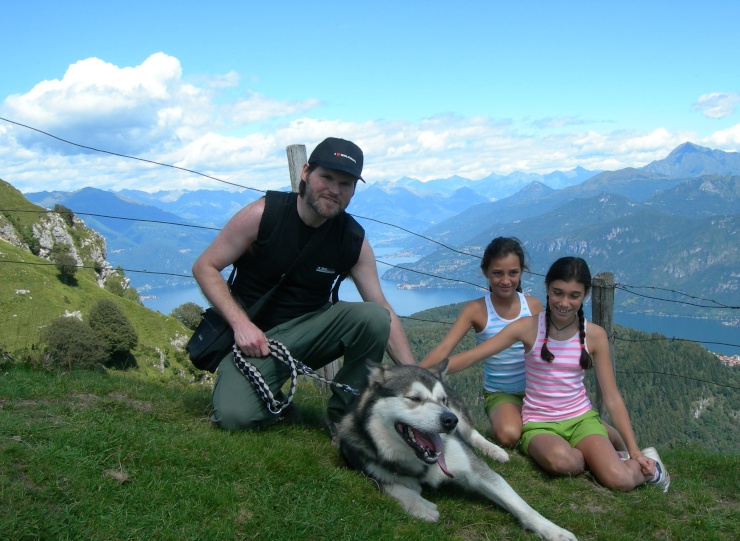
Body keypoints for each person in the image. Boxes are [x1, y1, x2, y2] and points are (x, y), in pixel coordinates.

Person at [192, 137, 416, 430]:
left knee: (374, 317)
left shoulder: (352, 240)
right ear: (306, 172)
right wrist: (241, 325)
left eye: (345, 184)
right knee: (235, 417)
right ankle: (276, 402)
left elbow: (381, 307)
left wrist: (415, 378)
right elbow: (205, 266)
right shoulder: (263, 214)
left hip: (310, 335)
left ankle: (345, 420)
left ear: (353, 191)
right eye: (327, 177)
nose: (334, 190)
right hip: (253, 342)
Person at [444, 256, 670, 492]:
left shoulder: (595, 335)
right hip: (539, 423)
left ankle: (652, 468)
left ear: (585, 296)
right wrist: (425, 373)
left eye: (574, 295)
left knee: (619, 480)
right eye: (557, 293)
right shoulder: (528, 327)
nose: (564, 302)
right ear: (547, 289)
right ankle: (601, 457)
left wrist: (635, 451)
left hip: (582, 419)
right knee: (561, 462)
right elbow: (473, 355)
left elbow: (612, 397)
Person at [420, 238, 626, 452]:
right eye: (498, 273)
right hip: (502, 392)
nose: (506, 280)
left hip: (540, 392)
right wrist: (418, 373)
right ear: (486, 272)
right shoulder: (476, 309)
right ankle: (505, 428)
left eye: (513, 273)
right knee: (509, 435)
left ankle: (614, 442)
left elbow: (553, 347)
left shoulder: (533, 306)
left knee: (599, 433)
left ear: (521, 272)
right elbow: (446, 348)